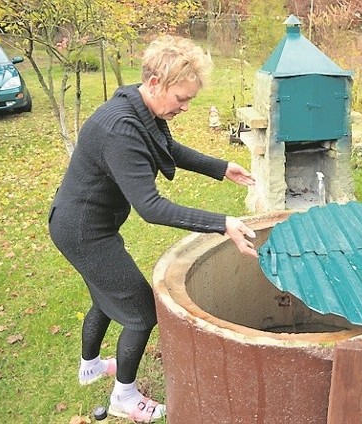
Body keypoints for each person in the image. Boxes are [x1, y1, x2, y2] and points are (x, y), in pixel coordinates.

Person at [48, 35, 258, 423]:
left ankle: (90, 367)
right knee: (141, 313)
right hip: (84, 232)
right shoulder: (121, 130)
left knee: (106, 298)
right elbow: (150, 207)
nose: (185, 106)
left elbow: (168, 149)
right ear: (156, 82)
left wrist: (221, 167)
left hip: (82, 223)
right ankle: (124, 398)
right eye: (182, 98)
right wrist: (222, 223)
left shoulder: (139, 106)